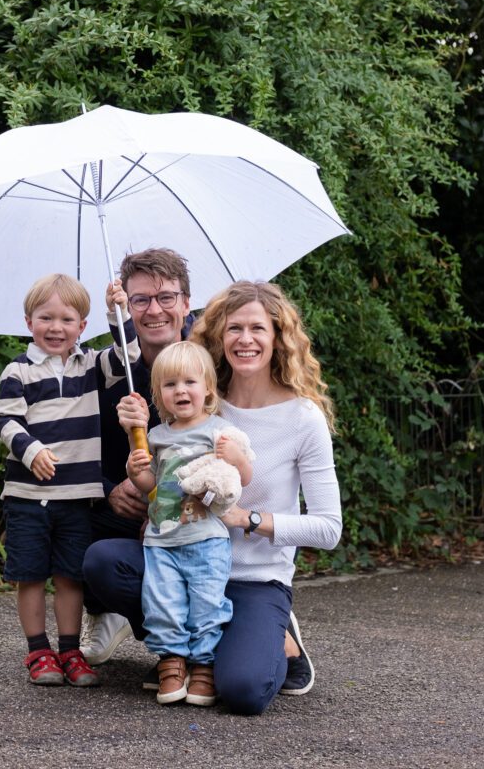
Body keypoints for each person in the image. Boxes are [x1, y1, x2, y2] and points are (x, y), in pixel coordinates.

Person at [86, 280, 342, 715]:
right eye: (234, 328)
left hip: (253, 578)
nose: (245, 340)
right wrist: (137, 451)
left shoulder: (303, 418)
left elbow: (328, 528)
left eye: (258, 329)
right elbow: (161, 468)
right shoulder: (198, 401)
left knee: (242, 690)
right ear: (218, 338)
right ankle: (180, 654)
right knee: (104, 563)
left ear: (278, 337)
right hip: (183, 556)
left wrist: (248, 519)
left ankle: (280, 640)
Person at [0, 273, 139, 688]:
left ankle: (71, 650)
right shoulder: (17, 371)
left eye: (67, 319)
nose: (56, 328)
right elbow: (6, 419)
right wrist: (32, 449)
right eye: (46, 318)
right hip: (27, 495)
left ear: (82, 326)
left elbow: (128, 356)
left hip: (77, 496)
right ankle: (39, 650)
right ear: (28, 322)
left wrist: (119, 312)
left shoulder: (90, 364)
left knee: (71, 575)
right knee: (31, 574)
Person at [80, 248, 195, 667]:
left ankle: (216, 627)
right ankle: (107, 608)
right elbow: (72, 445)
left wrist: (166, 494)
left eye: (166, 297)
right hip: (123, 511)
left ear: (186, 302)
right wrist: (110, 490)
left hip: (194, 514)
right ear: (122, 305)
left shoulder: (210, 364)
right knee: (60, 518)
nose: (154, 310)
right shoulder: (105, 369)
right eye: (140, 300)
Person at [124, 340, 253, 706]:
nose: (180, 390)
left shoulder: (219, 431)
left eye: (189, 382)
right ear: (159, 395)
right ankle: (171, 662)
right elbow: (153, 486)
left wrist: (237, 457)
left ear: (207, 388)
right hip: (162, 540)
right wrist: (136, 474)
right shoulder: (157, 436)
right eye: (170, 385)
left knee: (207, 603)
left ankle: (203, 666)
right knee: (162, 603)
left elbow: (243, 478)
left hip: (206, 538)